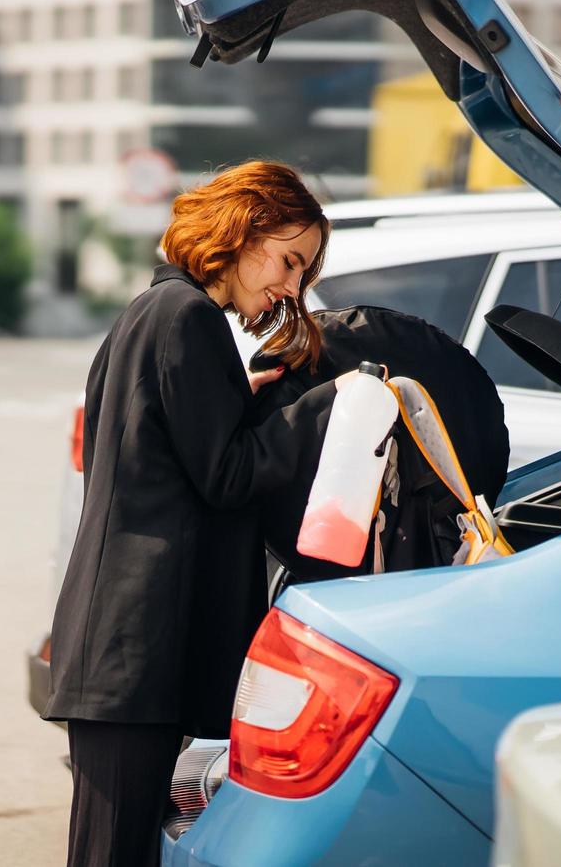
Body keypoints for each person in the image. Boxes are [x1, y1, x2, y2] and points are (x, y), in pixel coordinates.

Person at [45, 161, 343, 867]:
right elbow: (228, 474)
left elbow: (176, 450)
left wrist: (237, 397)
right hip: (135, 646)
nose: (291, 287)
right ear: (243, 230)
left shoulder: (157, 312)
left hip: (126, 645)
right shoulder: (186, 317)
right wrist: (333, 403)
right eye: (288, 260)